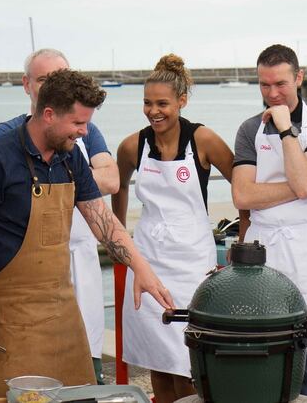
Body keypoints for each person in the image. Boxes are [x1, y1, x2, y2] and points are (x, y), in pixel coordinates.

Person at [0, 68, 174, 399]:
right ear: (48, 114)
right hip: (10, 314)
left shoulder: (69, 158)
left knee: (79, 395)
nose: (84, 132)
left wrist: (141, 269)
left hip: (62, 308)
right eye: (77, 123)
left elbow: (102, 218)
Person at [112, 54, 234, 403]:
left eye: (162, 103)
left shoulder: (204, 140)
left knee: (189, 364)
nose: (154, 111)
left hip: (193, 261)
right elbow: (118, 186)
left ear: (182, 101)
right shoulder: (133, 145)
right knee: (158, 363)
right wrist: (119, 238)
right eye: (147, 103)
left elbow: (241, 182)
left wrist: (247, 233)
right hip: (149, 256)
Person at [0, 49, 119, 382]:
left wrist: (63, 173)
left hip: (81, 257)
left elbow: (113, 179)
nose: (56, 84)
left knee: (86, 363)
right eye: (46, 79)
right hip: (29, 268)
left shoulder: (85, 128)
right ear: (27, 84)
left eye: (61, 76)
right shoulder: (6, 133)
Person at [230, 44, 307, 401]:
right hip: (264, 250)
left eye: (280, 84)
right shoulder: (249, 130)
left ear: (299, 78)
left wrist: (285, 129)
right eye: (264, 85)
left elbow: (305, 182)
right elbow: (243, 196)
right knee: (259, 346)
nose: (273, 93)